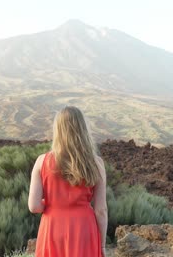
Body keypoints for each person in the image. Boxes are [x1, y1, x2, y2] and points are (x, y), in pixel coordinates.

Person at [28, 106, 108, 257]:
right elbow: (101, 210)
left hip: (52, 228)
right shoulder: (96, 163)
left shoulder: (41, 161)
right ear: (83, 129)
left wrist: (53, 203)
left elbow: (33, 206)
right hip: (84, 230)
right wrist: (102, 245)